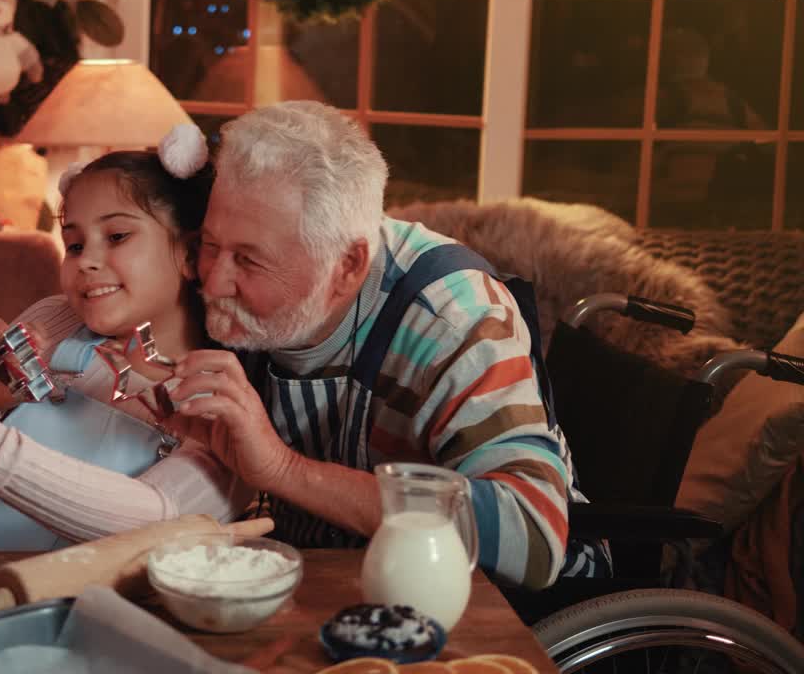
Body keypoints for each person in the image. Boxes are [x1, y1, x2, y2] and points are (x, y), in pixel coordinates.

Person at [163, 101, 606, 590]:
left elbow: (531, 538)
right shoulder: (261, 265)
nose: (213, 279)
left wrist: (283, 469)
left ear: (348, 265)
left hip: (497, 601)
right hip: (345, 575)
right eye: (209, 245)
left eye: (248, 261)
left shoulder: (455, 317)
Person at [0, 124, 252, 551]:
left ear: (189, 253)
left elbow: (157, 522)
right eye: (73, 243)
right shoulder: (56, 319)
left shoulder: (216, 399)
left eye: (117, 236)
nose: (86, 261)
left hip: (34, 600)